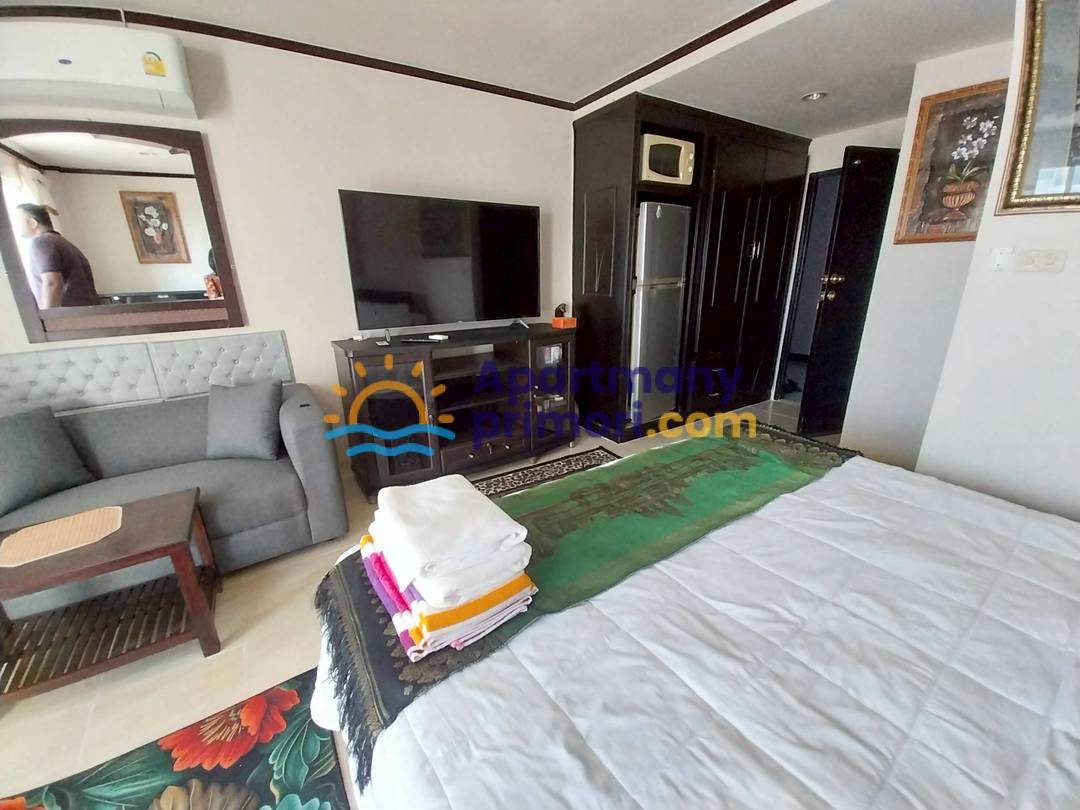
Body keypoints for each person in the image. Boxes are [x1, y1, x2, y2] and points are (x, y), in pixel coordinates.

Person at [14, 203, 99, 308]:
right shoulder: (63, 242)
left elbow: (52, 283)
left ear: (33, 223)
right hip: (86, 312)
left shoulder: (42, 242)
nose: (15, 224)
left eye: (18, 220)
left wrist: (47, 315)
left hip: (68, 315)